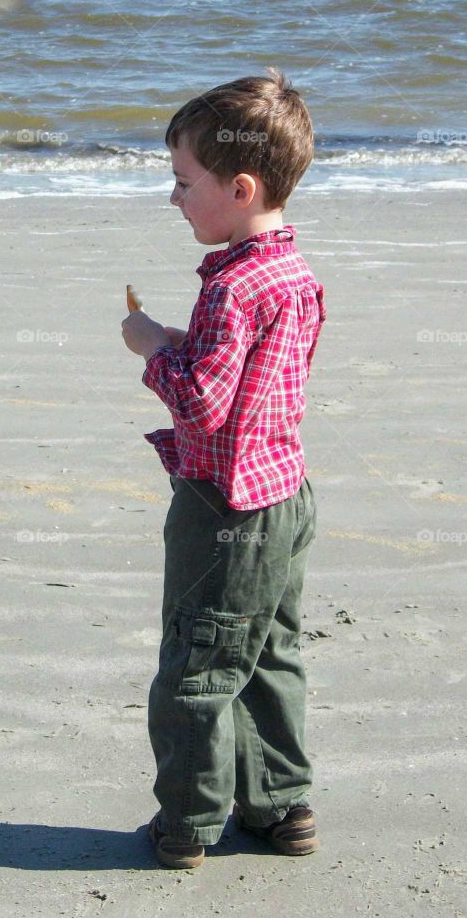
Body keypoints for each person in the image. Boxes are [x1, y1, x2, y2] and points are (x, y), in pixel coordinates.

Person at [121, 69, 326, 870]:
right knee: (271, 652)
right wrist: (186, 342)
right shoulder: (292, 273)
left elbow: (204, 404)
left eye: (182, 182)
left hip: (225, 509)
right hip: (286, 494)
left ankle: (186, 825)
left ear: (240, 188)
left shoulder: (233, 287)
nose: (173, 197)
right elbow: (255, 379)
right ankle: (282, 808)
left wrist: (153, 351)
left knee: (198, 665)